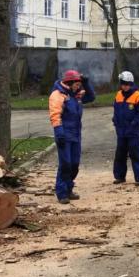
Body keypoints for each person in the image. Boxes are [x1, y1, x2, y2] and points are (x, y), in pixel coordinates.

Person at [49, 69, 96, 203]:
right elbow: (55, 114)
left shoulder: (76, 95)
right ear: (70, 82)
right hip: (64, 134)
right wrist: (59, 131)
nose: (78, 86)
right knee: (65, 164)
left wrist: (86, 83)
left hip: (76, 134)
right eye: (77, 83)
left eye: (80, 84)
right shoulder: (58, 95)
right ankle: (62, 193)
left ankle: (69, 189)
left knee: (74, 164)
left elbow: (91, 97)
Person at [112, 71, 139, 186]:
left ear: (131, 84)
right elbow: (116, 110)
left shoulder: (138, 96)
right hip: (121, 131)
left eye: (127, 84)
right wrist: (115, 120)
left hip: (133, 132)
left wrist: (135, 123)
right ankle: (120, 177)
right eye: (123, 84)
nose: (125, 86)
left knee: (136, 154)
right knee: (120, 155)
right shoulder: (118, 95)